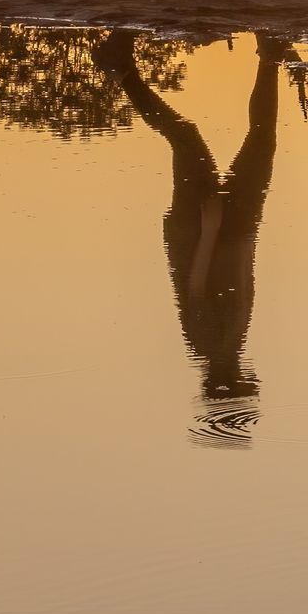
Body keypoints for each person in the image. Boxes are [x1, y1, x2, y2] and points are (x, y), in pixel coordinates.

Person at [101, 27, 286, 440]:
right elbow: (239, 281)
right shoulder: (224, 347)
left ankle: (120, 70)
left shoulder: (208, 343)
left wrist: (211, 228)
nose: (253, 388)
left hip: (202, 230)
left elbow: (195, 285)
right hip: (230, 230)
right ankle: (269, 57)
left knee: (186, 138)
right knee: (260, 140)